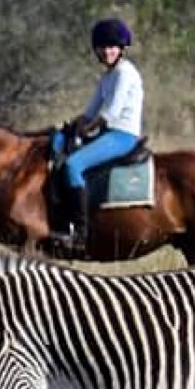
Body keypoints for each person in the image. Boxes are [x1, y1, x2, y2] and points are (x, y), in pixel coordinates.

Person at [48, 16, 144, 253]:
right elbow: (90, 111)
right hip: (108, 132)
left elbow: (110, 114)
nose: (106, 51)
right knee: (58, 146)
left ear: (121, 49)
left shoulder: (125, 73)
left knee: (73, 165)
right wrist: (70, 127)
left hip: (122, 135)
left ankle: (80, 233)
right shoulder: (107, 77)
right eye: (102, 47)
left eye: (112, 47)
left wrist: (87, 128)